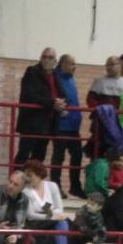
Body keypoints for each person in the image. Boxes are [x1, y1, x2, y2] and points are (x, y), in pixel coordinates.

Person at [20, 161, 74, 244]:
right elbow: (30, 215)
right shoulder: (26, 191)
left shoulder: (52, 186)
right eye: (26, 175)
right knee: (62, 223)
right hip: (34, 224)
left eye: (30, 175)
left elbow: (60, 208)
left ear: (39, 174)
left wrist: (50, 213)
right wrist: (51, 214)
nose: (28, 178)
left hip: (50, 222)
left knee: (62, 228)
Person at [15, 48, 58, 168]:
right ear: (40, 58)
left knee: (39, 158)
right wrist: (52, 103)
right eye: (44, 57)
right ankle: (15, 184)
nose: (46, 60)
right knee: (23, 156)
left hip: (46, 124)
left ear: (55, 61)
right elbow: (29, 95)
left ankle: (33, 185)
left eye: (50, 57)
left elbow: (59, 93)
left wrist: (62, 104)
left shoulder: (55, 76)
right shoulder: (32, 72)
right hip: (31, 123)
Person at [50, 52, 84, 197]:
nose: (74, 66)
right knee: (59, 156)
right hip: (61, 125)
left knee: (77, 155)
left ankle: (75, 186)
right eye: (71, 63)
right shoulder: (55, 77)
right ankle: (55, 187)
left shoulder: (70, 79)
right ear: (63, 64)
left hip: (73, 126)